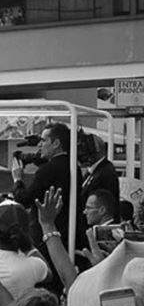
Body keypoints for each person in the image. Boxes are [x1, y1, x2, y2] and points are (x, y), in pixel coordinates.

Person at [11, 122, 84, 293]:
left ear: (56, 143)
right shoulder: (74, 167)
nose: (40, 145)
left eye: (44, 140)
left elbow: (25, 199)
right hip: (69, 234)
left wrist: (17, 180)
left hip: (46, 236)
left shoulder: (48, 170)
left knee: (47, 283)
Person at [81, 135, 119, 219]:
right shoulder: (92, 172)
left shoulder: (105, 173)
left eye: (84, 149)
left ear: (97, 150)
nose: (80, 153)